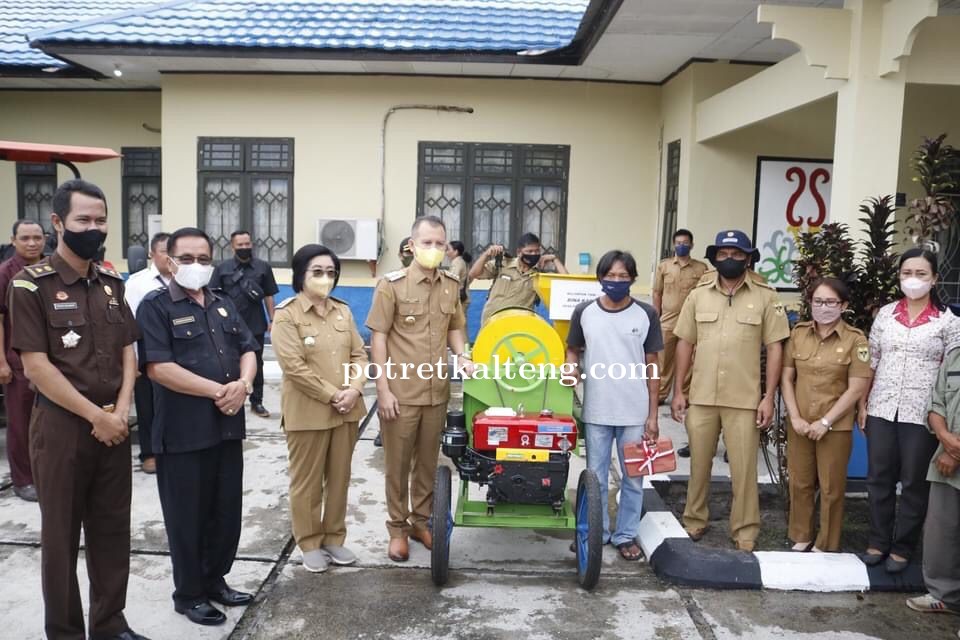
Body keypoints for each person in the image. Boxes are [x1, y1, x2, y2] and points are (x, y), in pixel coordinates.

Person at [9, 179, 148, 640]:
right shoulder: (31, 285)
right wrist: (97, 417)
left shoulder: (111, 283)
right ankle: (65, 632)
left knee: (112, 531)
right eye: (83, 220)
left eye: (101, 220)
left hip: (113, 426)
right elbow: (37, 367)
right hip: (63, 428)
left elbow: (129, 350)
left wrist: (121, 411)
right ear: (58, 223)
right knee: (61, 540)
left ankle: (110, 625)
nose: (94, 228)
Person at [137, 227, 259, 626]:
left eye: (203, 259)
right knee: (187, 517)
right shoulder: (155, 307)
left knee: (225, 513)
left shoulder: (222, 303)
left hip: (226, 429)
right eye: (186, 259)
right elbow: (158, 367)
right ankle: (189, 594)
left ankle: (214, 580)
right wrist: (220, 391)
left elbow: (248, 348)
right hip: (183, 434)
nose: (196, 266)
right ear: (169, 261)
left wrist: (242, 385)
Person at [671, 230, 790, 552]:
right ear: (714, 258)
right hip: (702, 396)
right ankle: (694, 520)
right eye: (723, 254)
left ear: (749, 258)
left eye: (737, 254)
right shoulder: (699, 295)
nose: (730, 259)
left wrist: (768, 397)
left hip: (745, 399)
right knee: (698, 466)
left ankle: (746, 530)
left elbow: (775, 347)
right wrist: (678, 392)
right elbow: (685, 342)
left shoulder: (766, 295)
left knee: (743, 471)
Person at [366, 215, 472, 562]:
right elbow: (378, 338)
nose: (434, 249)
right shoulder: (391, 285)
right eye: (427, 243)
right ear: (411, 246)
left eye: (440, 244)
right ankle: (397, 528)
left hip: (436, 391)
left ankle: (420, 521)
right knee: (397, 466)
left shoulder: (450, 284)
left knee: (427, 463)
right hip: (401, 392)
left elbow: (455, 326)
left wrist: (463, 355)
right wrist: (382, 389)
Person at [860, 247, 960, 573]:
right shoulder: (886, 315)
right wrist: (863, 404)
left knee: (915, 483)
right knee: (878, 479)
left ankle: (902, 548)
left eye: (920, 274)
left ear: (934, 279)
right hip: (882, 408)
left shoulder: (948, 322)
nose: (913, 280)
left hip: (924, 415)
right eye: (907, 273)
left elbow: (951, 373)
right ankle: (877, 542)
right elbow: (871, 362)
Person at [273, 244, 368, 573]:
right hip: (308, 413)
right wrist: (334, 395)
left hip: (347, 411)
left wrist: (355, 389)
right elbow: (294, 368)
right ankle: (309, 542)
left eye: (331, 272)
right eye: (317, 272)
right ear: (300, 275)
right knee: (307, 482)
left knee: (339, 478)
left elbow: (360, 354)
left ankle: (333, 538)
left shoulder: (343, 311)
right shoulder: (287, 315)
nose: (325, 278)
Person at [564, 250, 662, 561]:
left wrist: (652, 416)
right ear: (600, 278)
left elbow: (652, 366)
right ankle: (597, 532)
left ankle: (625, 535)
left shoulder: (646, 314)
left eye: (623, 276)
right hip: (596, 410)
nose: (616, 281)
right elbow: (572, 351)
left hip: (634, 411)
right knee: (595, 476)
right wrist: (570, 368)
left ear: (633, 279)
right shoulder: (584, 312)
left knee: (634, 477)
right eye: (610, 276)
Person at [781, 278, 872, 552]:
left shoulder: (856, 340)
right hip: (800, 423)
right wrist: (794, 417)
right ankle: (801, 535)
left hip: (835, 426)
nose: (823, 307)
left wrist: (825, 421)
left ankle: (826, 542)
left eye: (831, 302)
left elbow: (856, 388)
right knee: (800, 481)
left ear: (843, 305)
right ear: (810, 304)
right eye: (818, 301)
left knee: (832, 488)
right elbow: (787, 379)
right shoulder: (798, 333)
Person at [905, 338, 960, 620]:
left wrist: (955, 450)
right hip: (945, 459)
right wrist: (945, 438)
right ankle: (944, 596)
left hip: (951, 457)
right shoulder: (954, 357)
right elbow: (936, 402)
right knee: (942, 531)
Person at [210, 230, 279, 418]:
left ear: (252, 244)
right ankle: (228, 398)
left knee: (257, 363)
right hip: (227, 325)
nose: (244, 248)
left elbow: (268, 295)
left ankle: (257, 402)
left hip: (255, 325)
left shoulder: (263, 267)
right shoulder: (222, 269)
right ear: (232, 246)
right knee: (226, 362)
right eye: (240, 245)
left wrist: (272, 319)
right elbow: (212, 296)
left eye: (247, 244)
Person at [0, 219, 45, 501]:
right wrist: (2, 362)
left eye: (37, 238)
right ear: (14, 241)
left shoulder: (49, 269)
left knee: (46, 421)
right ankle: (23, 480)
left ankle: (45, 473)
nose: (32, 243)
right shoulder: (6, 272)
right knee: (21, 421)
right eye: (25, 238)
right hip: (17, 360)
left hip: (50, 359)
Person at [123, 232, 172, 475]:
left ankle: (173, 449)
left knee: (175, 406)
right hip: (146, 354)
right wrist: (132, 362)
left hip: (178, 355)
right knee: (147, 407)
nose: (170, 256)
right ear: (152, 254)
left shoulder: (184, 279)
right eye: (165, 251)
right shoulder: (136, 283)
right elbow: (127, 325)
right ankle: (149, 453)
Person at [652, 229, 708, 405]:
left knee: (690, 360)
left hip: (692, 322)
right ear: (673, 245)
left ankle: (684, 394)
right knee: (663, 360)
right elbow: (656, 292)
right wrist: (656, 316)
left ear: (691, 245)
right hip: (667, 321)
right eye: (678, 243)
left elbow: (706, 294)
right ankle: (660, 394)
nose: (681, 246)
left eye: (685, 243)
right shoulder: (665, 266)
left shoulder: (701, 268)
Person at [469, 232, 568, 326]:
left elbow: (568, 283)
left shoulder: (539, 274)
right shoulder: (503, 264)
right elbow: (474, 273)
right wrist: (486, 254)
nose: (534, 254)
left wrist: (555, 259)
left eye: (537, 251)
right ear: (519, 252)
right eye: (529, 251)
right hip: (493, 322)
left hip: (519, 326)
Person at [446, 240, 472, 316]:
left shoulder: (457, 262)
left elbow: (452, 280)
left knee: (458, 324)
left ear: (456, 251)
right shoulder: (462, 261)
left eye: (448, 250)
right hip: (462, 297)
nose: (446, 253)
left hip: (458, 299)